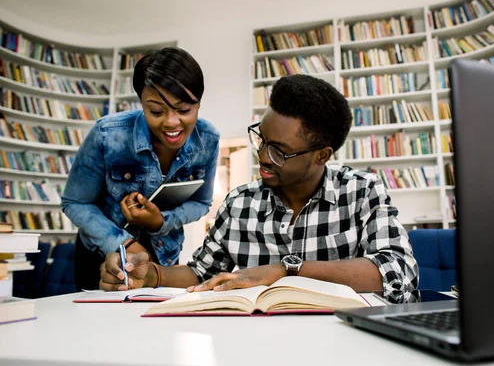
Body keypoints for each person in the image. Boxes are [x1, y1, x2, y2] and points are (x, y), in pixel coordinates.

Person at [99, 74, 419, 302]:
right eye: (260, 138)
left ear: (322, 156)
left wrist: (286, 271)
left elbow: (398, 273)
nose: (262, 156)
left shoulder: (362, 191)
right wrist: (151, 274)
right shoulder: (239, 203)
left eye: (279, 150)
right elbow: (200, 273)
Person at [62, 47, 219, 291]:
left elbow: (201, 203)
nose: (171, 122)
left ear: (198, 103)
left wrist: (160, 222)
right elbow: (75, 202)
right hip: (101, 256)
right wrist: (123, 243)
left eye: (184, 110)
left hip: (163, 259)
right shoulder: (107, 134)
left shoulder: (208, 139)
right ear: (141, 102)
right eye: (156, 111)